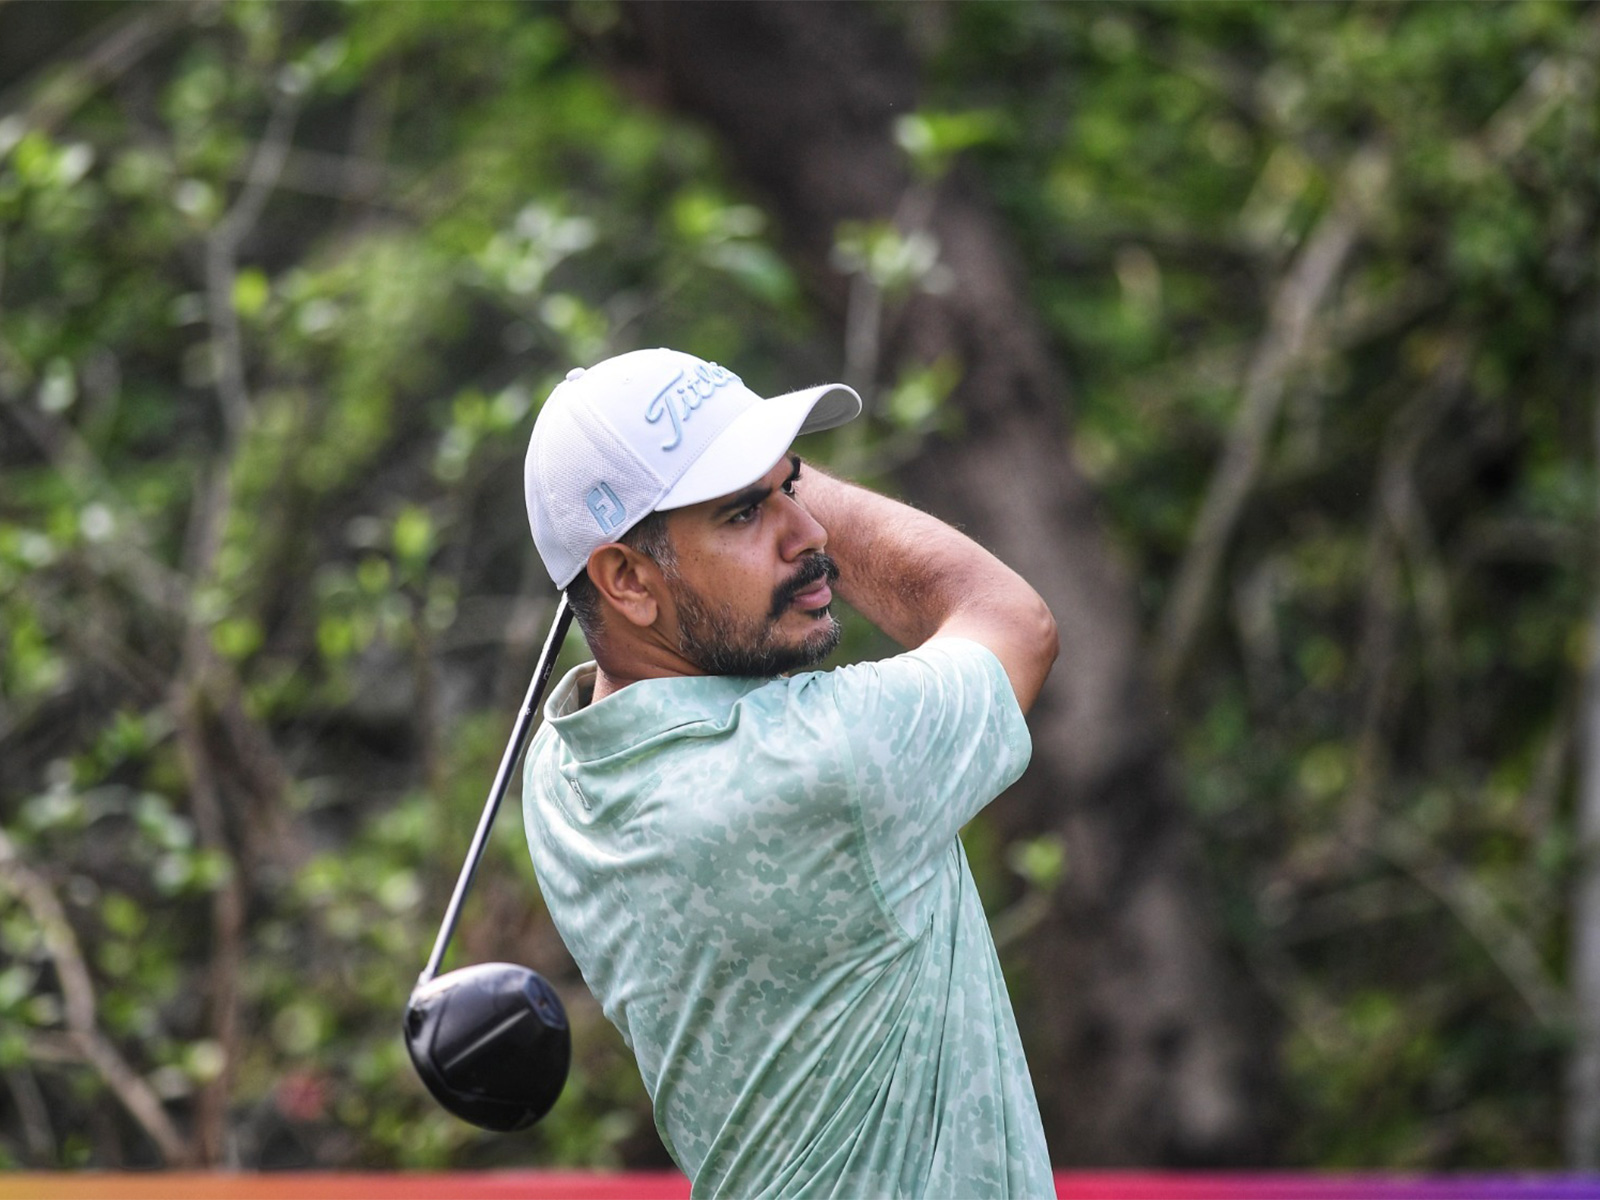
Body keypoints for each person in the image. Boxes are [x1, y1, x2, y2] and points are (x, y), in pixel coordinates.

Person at [520, 347, 1059, 1198]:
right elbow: (1011, 620)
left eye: (792, 485)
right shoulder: (815, 768)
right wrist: (772, 462)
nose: (811, 534)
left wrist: (745, 465)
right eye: (743, 514)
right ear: (624, 579)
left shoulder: (560, 769)